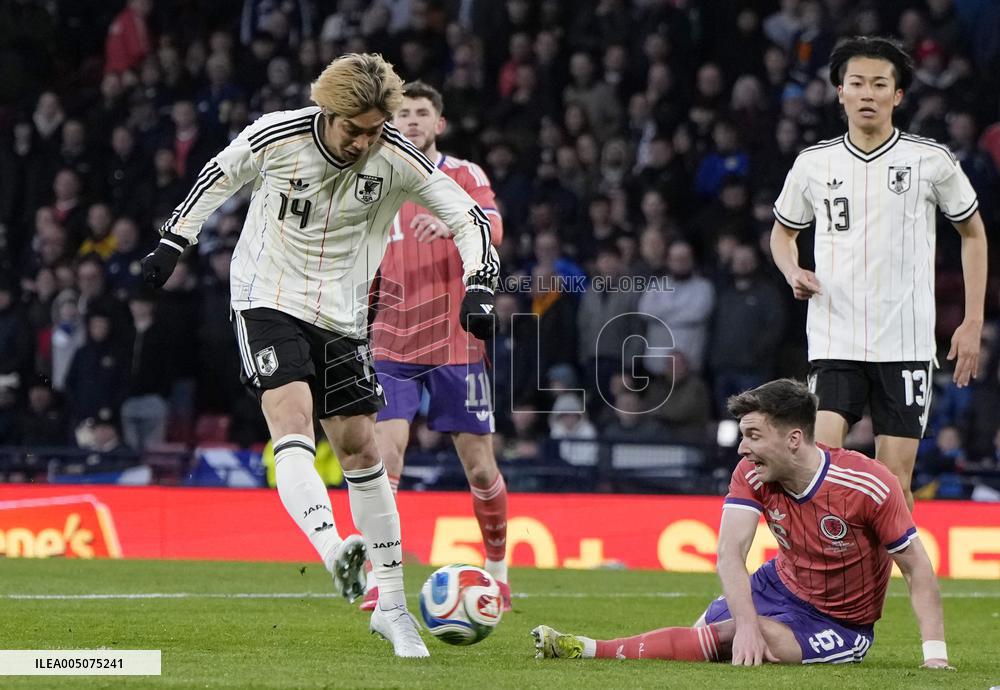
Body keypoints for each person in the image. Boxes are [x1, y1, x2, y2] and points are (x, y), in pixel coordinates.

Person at [140, 53, 499, 658]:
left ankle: (392, 609)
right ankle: (335, 549)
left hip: (344, 312)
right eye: (353, 129)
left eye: (375, 130)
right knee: (292, 421)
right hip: (267, 296)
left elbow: (467, 217)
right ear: (327, 114)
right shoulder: (277, 135)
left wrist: (481, 284)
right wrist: (175, 240)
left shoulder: (396, 158)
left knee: (360, 449)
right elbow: (218, 176)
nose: (364, 142)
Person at [533, 379, 953, 671]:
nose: (742, 447)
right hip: (779, 584)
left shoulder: (868, 483)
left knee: (729, 637)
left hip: (838, 622)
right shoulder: (751, 472)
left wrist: (934, 655)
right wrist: (749, 626)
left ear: (792, 439)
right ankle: (587, 649)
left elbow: (916, 568)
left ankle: (587, 649)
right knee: (713, 638)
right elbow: (730, 554)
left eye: (753, 435)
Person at [769, 36, 988, 509]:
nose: (867, 93)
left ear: (898, 95)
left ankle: (891, 583)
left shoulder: (930, 161)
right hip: (835, 336)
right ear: (840, 92)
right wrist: (792, 270)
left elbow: (974, 233)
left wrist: (971, 323)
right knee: (820, 469)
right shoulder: (813, 163)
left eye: (879, 84)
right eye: (857, 83)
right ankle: (827, 580)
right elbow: (781, 235)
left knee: (893, 486)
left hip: (904, 341)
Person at [366, 81, 510, 611]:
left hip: (455, 340)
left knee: (478, 466)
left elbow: (492, 228)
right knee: (385, 458)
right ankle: (384, 578)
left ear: (439, 123)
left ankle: (497, 568)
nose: (411, 121)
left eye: (421, 113)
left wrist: (452, 220)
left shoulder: (464, 175)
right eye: (401, 113)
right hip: (391, 339)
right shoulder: (376, 178)